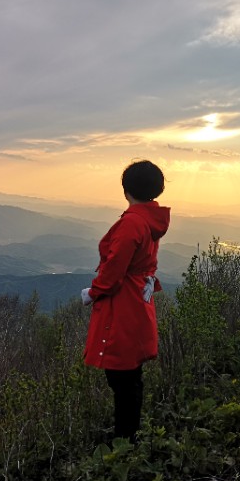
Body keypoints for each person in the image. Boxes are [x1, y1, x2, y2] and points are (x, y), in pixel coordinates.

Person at [81, 160, 170, 442]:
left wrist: (92, 292)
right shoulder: (149, 221)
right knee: (130, 375)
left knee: (121, 376)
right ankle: (127, 434)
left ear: (126, 189)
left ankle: (124, 440)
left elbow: (113, 271)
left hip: (124, 306)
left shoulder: (132, 222)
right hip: (138, 301)